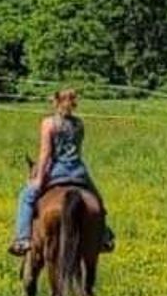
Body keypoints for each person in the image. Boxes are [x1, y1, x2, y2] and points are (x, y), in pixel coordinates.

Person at [8, 88, 115, 256]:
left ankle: (22, 239)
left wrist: (39, 179)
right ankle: (104, 236)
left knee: (26, 197)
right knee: (98, 201)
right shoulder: (79, 124)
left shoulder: (48, 123)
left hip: (57, 170)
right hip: (78, 171)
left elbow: (45, 154)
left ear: (56, 102)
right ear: (73, 103)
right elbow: (77, 149)